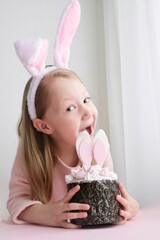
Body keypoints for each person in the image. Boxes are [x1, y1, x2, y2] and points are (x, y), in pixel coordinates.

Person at [7, 0, 139, 229]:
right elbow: (16, 201)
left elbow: (118, 194)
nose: (87, 110)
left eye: (87, 100)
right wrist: (46, 214)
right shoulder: (31, 153)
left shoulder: (99, 149)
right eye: (71, 108)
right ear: (44, 125)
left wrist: (131, 206)